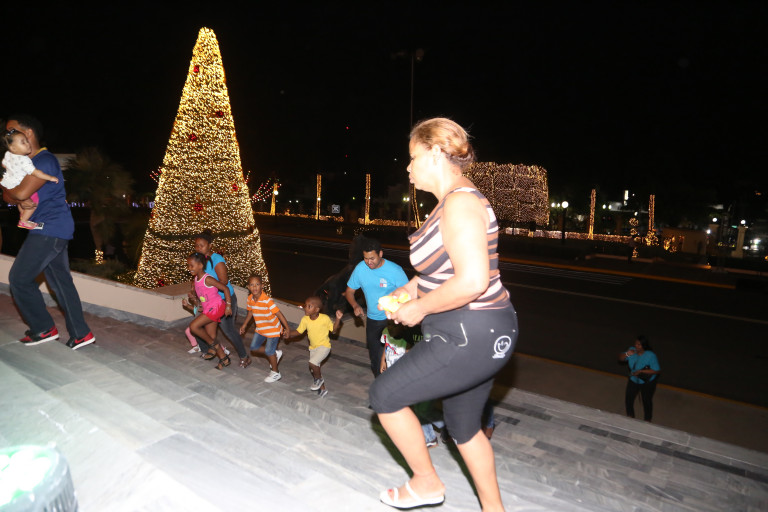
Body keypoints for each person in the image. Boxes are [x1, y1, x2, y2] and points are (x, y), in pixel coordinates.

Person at [369, 117, 518, 511]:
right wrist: (409, 290)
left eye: (412, 157)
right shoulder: (451, 202)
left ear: (435, 153)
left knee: (385, 395)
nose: (407, 167)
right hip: (482, 330)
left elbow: (472, 280)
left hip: (469, 331)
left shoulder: (460, 203)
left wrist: (419, 308)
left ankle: (426, 483)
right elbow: (444, 269)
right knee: (464, 427)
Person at [1, 115, 96, 350]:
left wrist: (13, 192)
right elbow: (10, 195)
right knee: (61, 283)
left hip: (49, 228)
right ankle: (81, 334)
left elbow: (18, 194)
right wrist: (13, 192)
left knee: (19, 279)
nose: (7, 136)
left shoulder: (44, 160)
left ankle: (43, 328)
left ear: (28, 133)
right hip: (52, 228)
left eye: (12, 131)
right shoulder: (26, 163)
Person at [344, 238, 408, 376]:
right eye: (366, 258)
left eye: (372, 258)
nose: (369, 262)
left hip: (393, 320)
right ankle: (380, 384)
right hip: (373, 320)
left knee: (394, 358)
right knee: (376, 359)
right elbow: (349, 291)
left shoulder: (395, 271)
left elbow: (408, 296)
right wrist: (355, 305)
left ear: (380, 254)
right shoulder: (361, 268)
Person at [193, 229, 250, 368]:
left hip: (224, 299)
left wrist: (224, 302)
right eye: (196, 245)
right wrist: (200, 299)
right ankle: (210, 351)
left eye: (202, 245)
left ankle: (244, 356)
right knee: (200, 327)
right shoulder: (199, 260)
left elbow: (223, 282)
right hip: (210, 301)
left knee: (228, 329)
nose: (199, 248)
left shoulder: (217, 259)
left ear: (210, 245)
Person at [285, 296, 343, 398]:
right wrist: (289, 334)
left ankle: (318, 380)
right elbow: (299, 331)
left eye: (309, 306)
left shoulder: (324, 318)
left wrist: (338, 319)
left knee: (312, 363)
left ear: (316, 309)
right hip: (313, 348)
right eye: (305, 305)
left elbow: (334, 330)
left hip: (324, 346)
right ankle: (322, 389)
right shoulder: (305, 319)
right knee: (315, 369)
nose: (305, 308)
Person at [1, 128, 59, 229]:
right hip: (20, 184)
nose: (28, 144)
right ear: (13, 148)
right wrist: (50, 177)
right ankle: (23, 221)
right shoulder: (24, 160)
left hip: (10, 183)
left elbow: (4, 164)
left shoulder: (8, 154)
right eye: (23, 142)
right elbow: (36, 173)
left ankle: (23, 216)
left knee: (23, 204)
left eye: (27, 141)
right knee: (33, 203)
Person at [240, 274, 290, 383]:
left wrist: (287, 328)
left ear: (262, 286)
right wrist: (244, 325)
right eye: (252, 285)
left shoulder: (267, 300)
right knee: (254, 348)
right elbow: (250, 312)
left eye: (257, 284)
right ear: (248, 287)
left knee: (268, 351)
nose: (255, 287)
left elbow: (279, 314)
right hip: (261, 329)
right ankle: (274, 354)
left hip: (273, 329)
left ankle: (276, 373)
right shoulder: (250, 299)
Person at [186, 252, 232, 370]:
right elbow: (204, 296)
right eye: (188, 265)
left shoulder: (208, 279)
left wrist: (228, 306)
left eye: (192, 265)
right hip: (208, 309)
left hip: (217, 307)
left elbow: (225, 288)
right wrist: (197, 301)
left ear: (200, 265)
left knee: (194, 326)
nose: (189, 268)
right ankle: (224, 358)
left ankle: (214, 347)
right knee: (211, 336)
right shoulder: (196, 279)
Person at [619, 335, 661, 421]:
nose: (636, 346)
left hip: (647, 382)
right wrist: (627, 354)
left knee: (646, 401)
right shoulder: (632, 350)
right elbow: (620, 358)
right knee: (629, 399)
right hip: (633, 379)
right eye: (635, 344)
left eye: (639, 345)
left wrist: (641, 371)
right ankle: (630, 417)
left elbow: (657, 370)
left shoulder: (650, 355)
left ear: (644, 346)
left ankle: (647, 420)